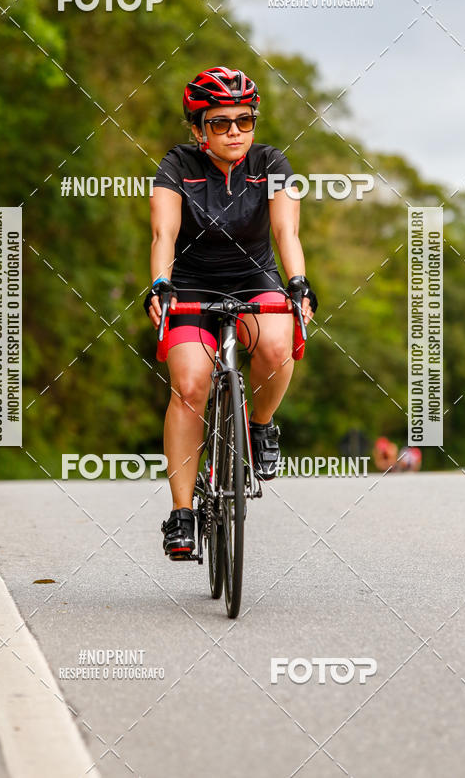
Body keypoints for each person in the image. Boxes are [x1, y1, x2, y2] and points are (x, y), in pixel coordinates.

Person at [143, 66, 317, 560]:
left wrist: (298, 282)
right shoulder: (177, 165)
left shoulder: (271, 163)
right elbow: (163, 236)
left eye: (245, 120)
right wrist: (161, 284)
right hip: (192, 285)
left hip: (254, 279)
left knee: (279, 344)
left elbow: (287, 233)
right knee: (192, 385)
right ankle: (181, 513)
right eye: (221, 123)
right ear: (199, 129)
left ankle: (259, 424)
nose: (236, 132)